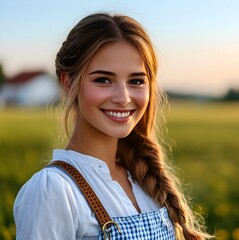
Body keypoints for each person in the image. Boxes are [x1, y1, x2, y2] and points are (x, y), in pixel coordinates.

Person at [14, 12, 211, 240]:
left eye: (136, 81)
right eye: (103, 80)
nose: (123, 97)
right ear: (68, 83)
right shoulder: (53, 190)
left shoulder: (144, 181)